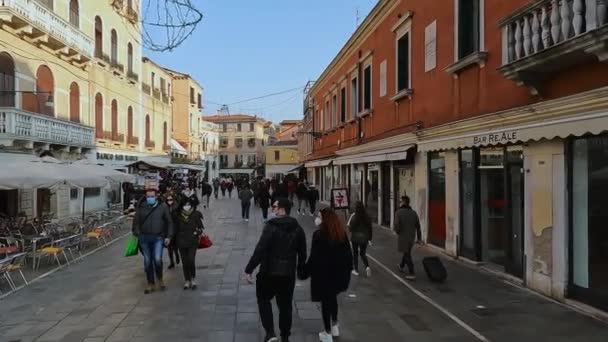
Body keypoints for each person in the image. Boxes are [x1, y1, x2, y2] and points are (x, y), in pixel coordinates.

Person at [245, 198, 307, 342]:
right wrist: (300, 270)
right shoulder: (298, 229)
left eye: (274, 206)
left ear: (282, 209)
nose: (272, 209)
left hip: (268, 272)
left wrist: (249, 269)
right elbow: (302, 253)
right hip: (288, 274)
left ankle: (270, 333)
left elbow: (260, 249)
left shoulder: (270, 227)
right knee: (285, 306)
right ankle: (285, 336)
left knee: (263, 300)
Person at [301, 208, 353, 342]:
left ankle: (327, 332)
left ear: (325, 219)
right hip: (339, 275)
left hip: (324, 275)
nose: (317, 218)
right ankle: (335, 325)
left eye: (319, 216)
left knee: (325, 302)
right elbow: (348, 256)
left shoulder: (319, 235)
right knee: (332, 298)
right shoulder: (341, 234)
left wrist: (304, 271)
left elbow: (314, 258)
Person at [132, 189, 174, 294]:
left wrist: (168, 236)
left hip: (158, 237)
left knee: (157, 259)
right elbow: (136, 222)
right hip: (144, 238)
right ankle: (150, 283)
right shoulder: (141, 207)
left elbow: (169, 222)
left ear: (156, 196)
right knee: (147, 261)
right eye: (148, 196)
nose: (150, 198)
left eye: (152, 196)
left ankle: (160, 278)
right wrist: (137, 233)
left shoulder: (162, 206)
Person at [174, 197, 204, 290]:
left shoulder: (196, 214)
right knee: (185, 261)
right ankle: (187, 280)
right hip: (181, 241)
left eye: (188, 205)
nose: (187, 207)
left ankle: (193, 278)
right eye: (185, 205)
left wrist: (197, 232)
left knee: (191, 259)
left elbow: (201, 227)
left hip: (192, 241)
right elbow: (174, 229)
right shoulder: (178, 215)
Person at [394, 195, 423, 280]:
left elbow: (396, 225)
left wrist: (398, 232)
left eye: (400, 201)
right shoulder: (413, 213)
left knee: (407, 254)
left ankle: (412, 272)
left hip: (403, 236)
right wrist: (419, 238)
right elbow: (418, 226)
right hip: (411, 237)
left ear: (403, 202)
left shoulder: (398, 213)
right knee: (407, 251)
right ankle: (401, 265)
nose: (399, 203)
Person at [347, 201, 373, 277]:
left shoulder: (354, 216)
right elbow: (370, 229)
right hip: (365, 238)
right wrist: (369, 238)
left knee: (355, 254)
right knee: (362, 253)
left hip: (355, 238)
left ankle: (356, 270)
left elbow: (351, 228)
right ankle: (367, 267)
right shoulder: (367, 216)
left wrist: (349, 227)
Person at [164, 194, 181, 270]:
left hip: (176, 229)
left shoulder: (177, 207)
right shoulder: (164, 208)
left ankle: (177, 254)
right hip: (168, 230)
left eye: (170, 199)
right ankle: (171, 262)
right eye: (168, 200)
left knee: (175, 245)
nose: (169, 201)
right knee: (169, 247)